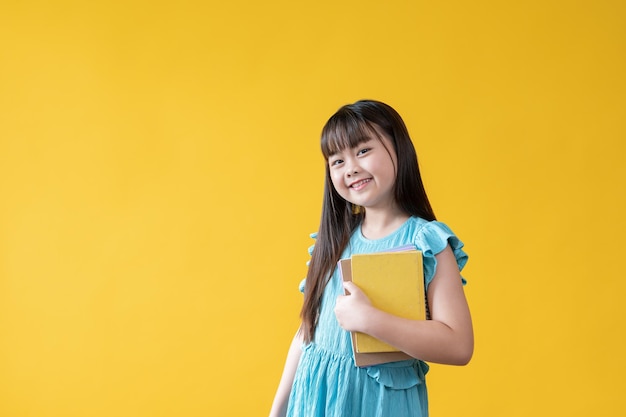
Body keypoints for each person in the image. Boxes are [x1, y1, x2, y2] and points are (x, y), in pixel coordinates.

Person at [269, 100, 473, 417]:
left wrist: (370, 321)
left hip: (380, 405)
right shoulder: (334, 240)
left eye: (363, 150)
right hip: (316, 399)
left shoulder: (425, 243)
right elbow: (308, 330)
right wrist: (279, 408)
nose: (350, 167)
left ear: (399, 148)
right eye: (337, 161)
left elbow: (459, 345)